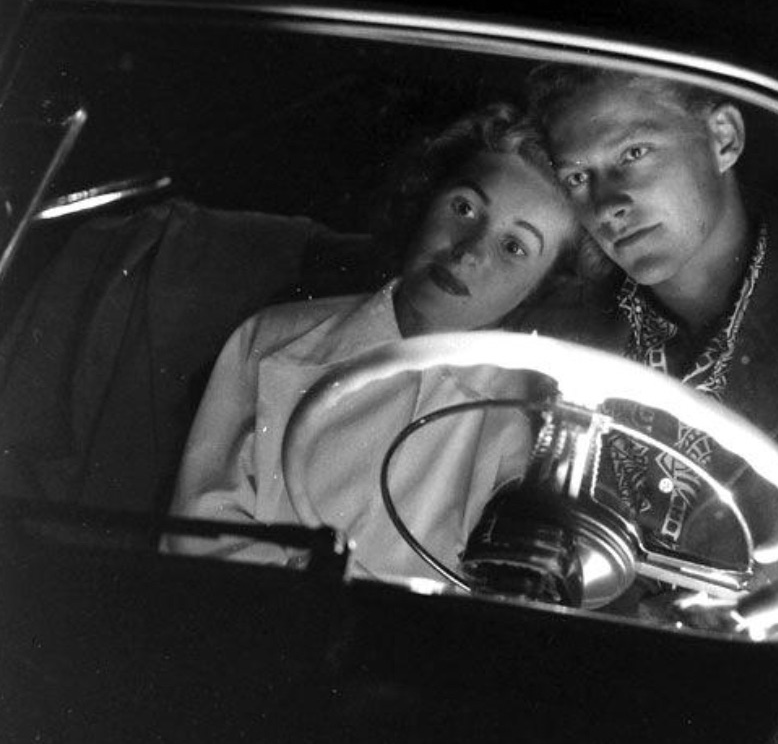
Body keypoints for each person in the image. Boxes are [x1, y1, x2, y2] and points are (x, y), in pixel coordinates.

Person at [165, 103, 580, 585]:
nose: (468, 252)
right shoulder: (272, 342)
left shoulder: (528, 426)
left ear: (544, 285)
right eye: (464, 208)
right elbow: (198, 537)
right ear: (426, 199)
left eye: (514, 248)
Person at [526, 64, 778, 566]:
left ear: (723, 138)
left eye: (633, 154)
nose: (607, 205)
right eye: (578, 177)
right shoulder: (560, 337)